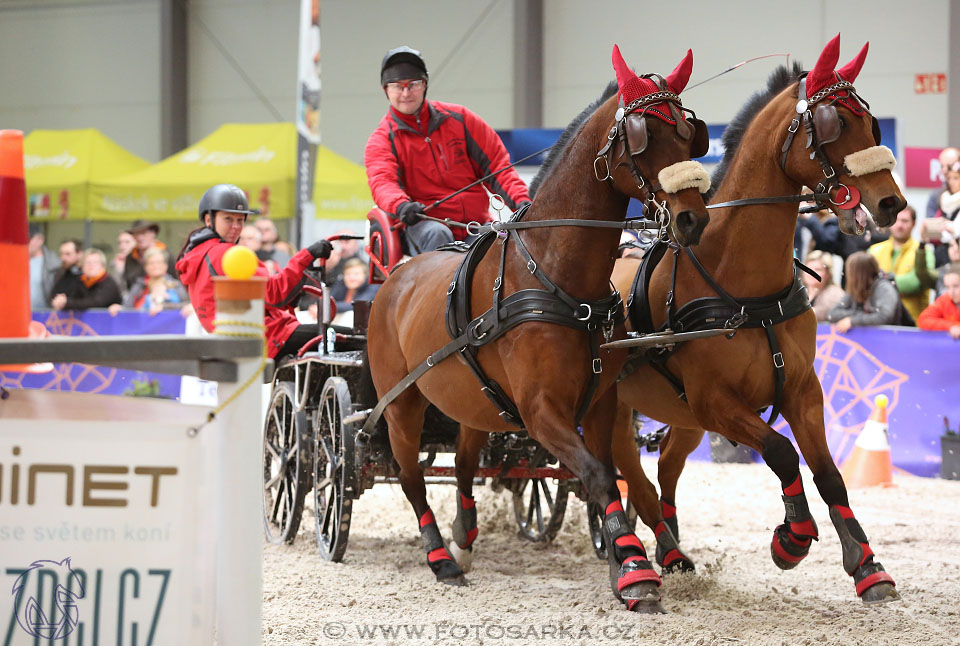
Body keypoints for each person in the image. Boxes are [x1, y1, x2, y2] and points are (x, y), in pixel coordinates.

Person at [364, 46, 531, 255]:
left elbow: (499, 168)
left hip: (474, 225)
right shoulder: (381, 140)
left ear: (424, 84)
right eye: (398, 86)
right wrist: (402, 206)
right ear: (385, 90)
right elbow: (383, 182)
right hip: (424, 225)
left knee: (499, 244)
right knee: (438, 234)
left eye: (413, 84)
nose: (406, 93)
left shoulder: (461, 119)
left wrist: (523, 203)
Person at [175, 183, 334, 360]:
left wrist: (298, 281)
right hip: (268, 337)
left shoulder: (200, 253)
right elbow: (274, 293)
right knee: (355, 341)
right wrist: (307, 255)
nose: (236, 226)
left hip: (245, 338)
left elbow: (262, 298)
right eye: (228, 219)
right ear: (208, 219)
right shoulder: (225, 253)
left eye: (240, 220)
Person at [868, 205, 937, 322]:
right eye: (896, 220)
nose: (900, 225)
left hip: (912, 324)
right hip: (879, 321)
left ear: (914, 223)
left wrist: (882, 284)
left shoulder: (924, 252)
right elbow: (865, 283)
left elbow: (917, 282)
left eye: (905, 221)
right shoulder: (874, 250)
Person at [826, 252, 906, 331]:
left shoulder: (884, 287)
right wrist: (861, 314)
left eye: (851, 271)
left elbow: (884, 317)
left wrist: (853, 321)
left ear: (859, 273)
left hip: (891, 338)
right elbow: (832, 314)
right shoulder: (857, 288)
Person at [110, 248, 188, 316]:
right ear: (145, 267)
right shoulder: (139, 285)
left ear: (165, 265)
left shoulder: (175, 285)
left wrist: (164, 307)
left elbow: (187, 306)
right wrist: (120, 308)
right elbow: (128, 307)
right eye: (151, 263)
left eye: (159, 262)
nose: (155, 266)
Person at [51, 248, 122, 311]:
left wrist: (67, 302)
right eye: (87, 262)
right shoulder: (81, 281)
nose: (91, 265)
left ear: (103, 266)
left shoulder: (109, 283)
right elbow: (74, 299)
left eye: (95, 262)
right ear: (82, 266)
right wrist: (61, 302)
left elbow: (96, 303)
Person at [123, 219, 173, 290]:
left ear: (153, 233)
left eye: (143, 233)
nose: (140, 237)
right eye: (136, 233)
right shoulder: (130, 257)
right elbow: (127, 284)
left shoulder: (166, 255)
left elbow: (175, 282)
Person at [917, 263, 960, 339]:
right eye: (948, 287)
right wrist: (951, 326)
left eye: (956, 286)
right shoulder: (945, 299)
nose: (951, 292)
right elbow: (923, 320)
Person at [802, 250, 845, 322]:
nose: (811, 273)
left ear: (828, 273)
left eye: (817, 269)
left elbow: (826, 313)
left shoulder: (835, 293)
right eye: (807, 269)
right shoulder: (798, 292)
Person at [27, 224, 59, 309]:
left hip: (45, 316)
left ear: (41, 239)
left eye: (28, 239)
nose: (25, 243)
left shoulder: (54, 264)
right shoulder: (13, 262)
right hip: (18, 315)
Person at [925, 146, 960, 218]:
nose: (944, 170)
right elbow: (930, 221)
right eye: (941, 166)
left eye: (949, 166)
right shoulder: (938, 195)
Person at [49, 239, 84, 305]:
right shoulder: (60, 273)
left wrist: (67, 302)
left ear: (79, 254)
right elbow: (53, 296)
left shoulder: (87, 274)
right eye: (62, 254)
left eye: (68, 254)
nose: (63, 258)